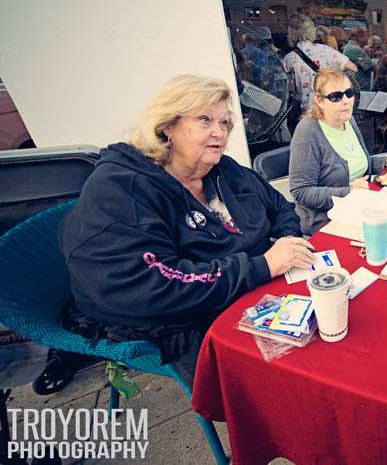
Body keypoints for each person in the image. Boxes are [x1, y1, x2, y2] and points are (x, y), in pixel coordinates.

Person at [59, 75, 313, 377]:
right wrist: (263, 266)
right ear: (168, 125)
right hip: (175, 317)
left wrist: (287, 244)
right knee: (292, 371)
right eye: (204, 120)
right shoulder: (122, 189)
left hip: (246, 289)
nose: (219, 132)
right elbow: (158, 284)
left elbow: (279, 206)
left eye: (225, 123)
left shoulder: (223, 169)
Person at [289, 69, 371, 236]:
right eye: (336, 96)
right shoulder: (307, 132)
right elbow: (301, 191)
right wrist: (348, 192)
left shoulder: (348, 120)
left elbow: (358, 162)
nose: (346, 101)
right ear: (319, 101)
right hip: (325, 222)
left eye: (349, 93)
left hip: (357, 210)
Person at [282, 14, 357, 112]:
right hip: (329, 109)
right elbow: (353, 68)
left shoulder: (289, 59)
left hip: (306, 112)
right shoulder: (326, 50)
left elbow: (287, 90)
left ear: (292, 33)